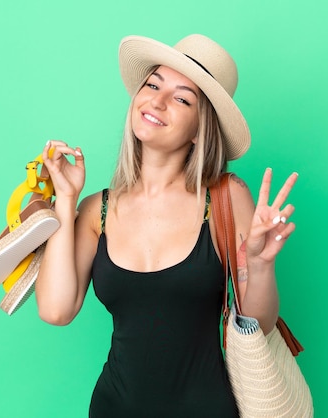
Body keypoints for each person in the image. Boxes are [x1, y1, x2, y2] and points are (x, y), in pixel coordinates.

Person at [35, 34, 298, 418]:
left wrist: (260, 265)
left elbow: (259, 325)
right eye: (153, 84)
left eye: (181, 98)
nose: (157, 100)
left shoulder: (225, 198)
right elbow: (56, 310)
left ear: (198, 130)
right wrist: (67, 198)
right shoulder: (97, 210)